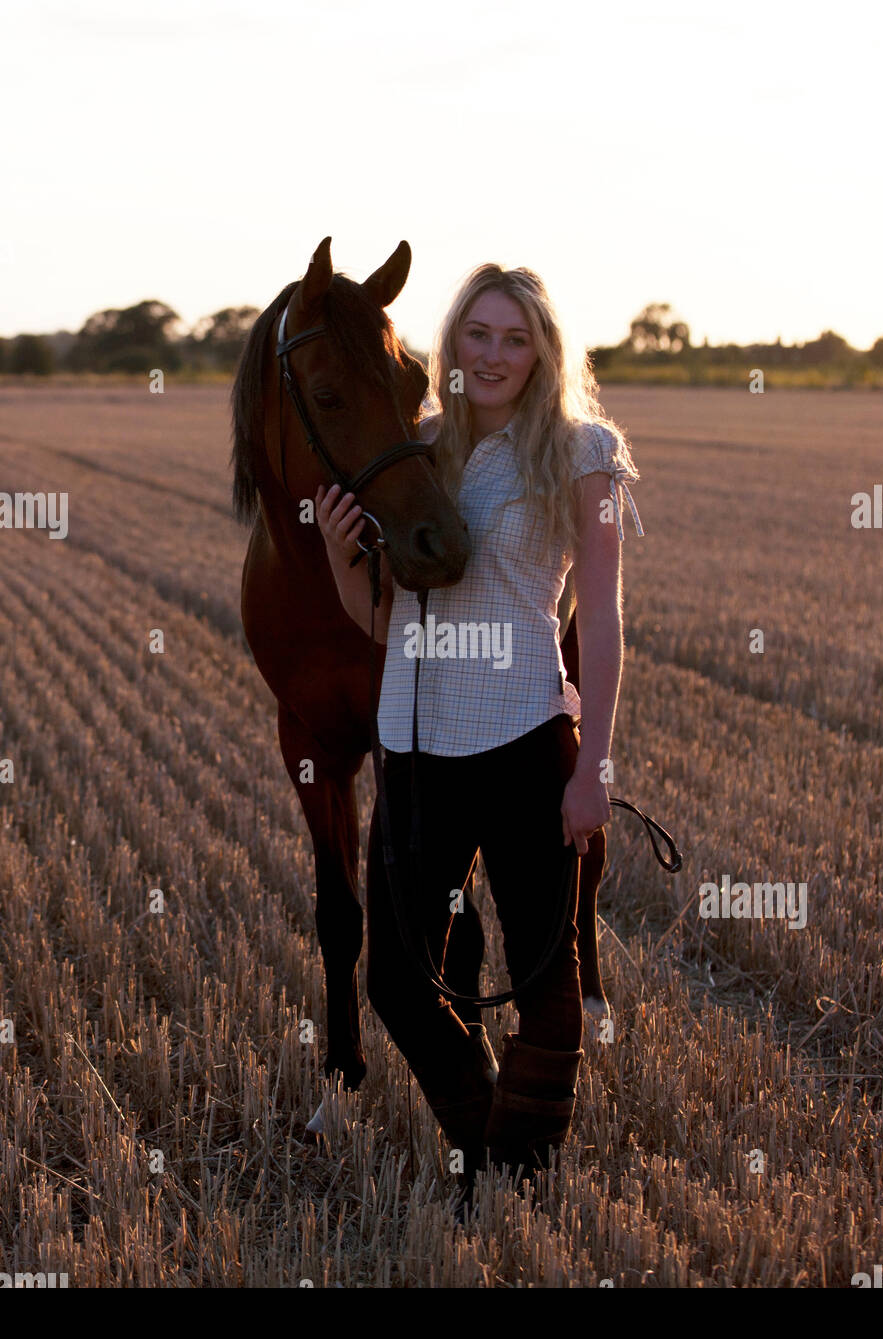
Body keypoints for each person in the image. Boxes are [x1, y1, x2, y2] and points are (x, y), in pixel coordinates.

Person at [315, 263, 643, 1210]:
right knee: (395, 983)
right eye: (478, 335)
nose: (494, 354)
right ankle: (488, 1137)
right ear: (451, 345)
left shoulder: (584, 453)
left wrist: (594, 768)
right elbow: (385, 624)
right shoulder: (417, 453)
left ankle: (511, 1176)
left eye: (515, 338)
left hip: (526, 736)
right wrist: (345, 558)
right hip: (416, 749)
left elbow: (608, 622)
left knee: (545, 976)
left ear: (542, 351)